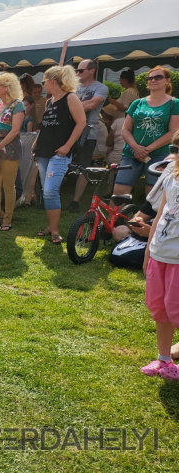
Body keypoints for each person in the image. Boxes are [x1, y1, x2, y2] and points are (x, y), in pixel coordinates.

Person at [33, 65, 87, 244]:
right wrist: (36, 142)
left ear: (52, 81)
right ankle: (51, 227)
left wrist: (67, 145)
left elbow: (81, 123)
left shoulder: (71, 98)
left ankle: (54, 230)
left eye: (43, 81)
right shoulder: (50, 101)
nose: (43, 85)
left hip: (60, 153)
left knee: (50, 191)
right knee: (46, 190)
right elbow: (46, 126)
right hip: (43, 151)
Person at [140, 137, 179, 379]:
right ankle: (164, 359)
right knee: (160, 308)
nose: (175, 153)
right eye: (175, 148)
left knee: (176, 308)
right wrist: (147, 251)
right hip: (160, 253)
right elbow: (161, 212)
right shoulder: (171, 174)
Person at [114, 66, 179, 197]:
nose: (153, 80)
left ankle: (149, 218)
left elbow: (173, 132)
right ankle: (115, 218)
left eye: (158, 77)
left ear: (167, 80)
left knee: (153, 194)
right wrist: (136, 148)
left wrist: (147, 149)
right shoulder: (137, 103)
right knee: (119, 193)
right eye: (150, 78)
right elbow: (125, 130)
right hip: (131, 153)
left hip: (159, 155)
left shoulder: (174, 103)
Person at [0, 72, 26, 232]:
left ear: (6, 87)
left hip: (10, 150)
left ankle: (7, 220)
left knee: (9, 187)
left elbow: (15, 131)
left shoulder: (18, 105)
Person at [69, 59, 110, 213]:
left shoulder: (101, 88)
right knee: (60, 162)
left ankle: (75, 201)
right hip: (69, 131)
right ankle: (53, 196)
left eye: (80, 71)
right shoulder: (72, 87)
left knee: (83, 167)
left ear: (92, 70)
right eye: (76, 71)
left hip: (88, 132)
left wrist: (70, 107)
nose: (77, 73)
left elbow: (92, 105)